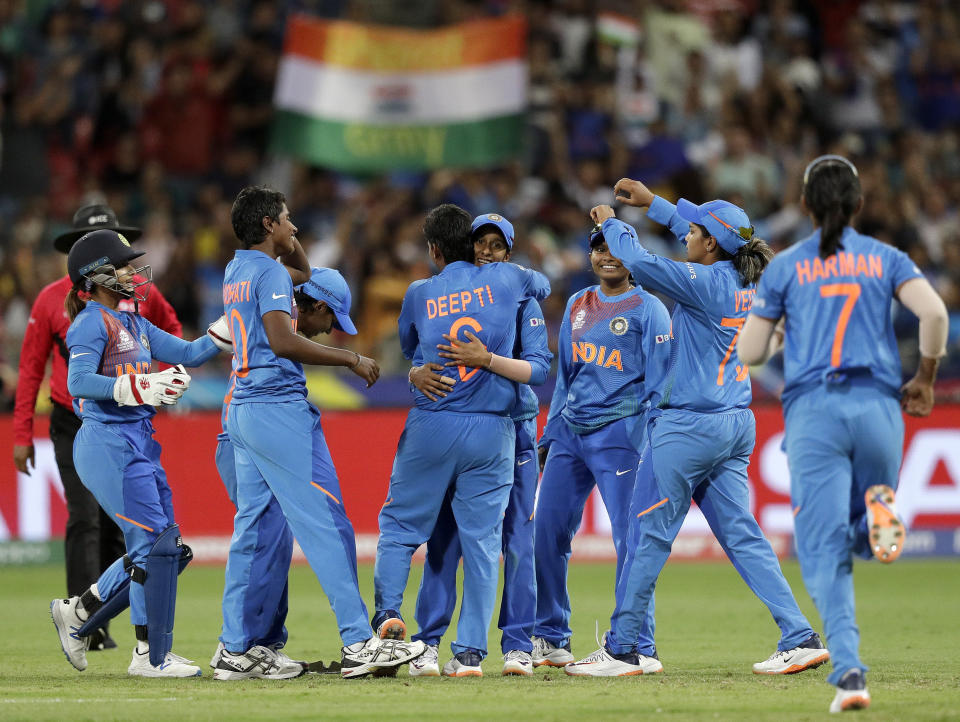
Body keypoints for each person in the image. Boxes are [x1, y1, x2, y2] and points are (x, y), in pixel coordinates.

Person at [564, 178, 827, 677]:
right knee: (744, 537)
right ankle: (800, 636)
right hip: (734, 423)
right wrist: (658, 204)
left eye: (696, 230)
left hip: (687, 428)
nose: (687, 234)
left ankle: (623, 649)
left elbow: (638, 263)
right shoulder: (749, 277)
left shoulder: (703, 283)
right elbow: (710, 232)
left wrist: (611, 222)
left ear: (710, 243)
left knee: (647, 536)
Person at [737, 155, 949, 713]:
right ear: (858, 204)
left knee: (821, 547)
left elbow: (751, 353)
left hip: (815, 411)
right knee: (857, 531)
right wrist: (924, 380)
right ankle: (877, 508)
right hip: (879, 408)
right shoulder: (885, 258)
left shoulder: (785, 268)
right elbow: (934, 316)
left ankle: (851, 672)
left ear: (805, 205)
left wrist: (783, 333)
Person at [215, 186, 425, 680]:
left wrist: (286, 243)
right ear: (268, 224)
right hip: (276, 407)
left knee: (252, 531)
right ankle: (358, 642)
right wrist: (350, 358)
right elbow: (284, 340)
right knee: (325, 523)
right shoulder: (267, 273)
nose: (294, 229)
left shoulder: (237, 269)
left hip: (244, 406)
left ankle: (235, 649)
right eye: (287, 220)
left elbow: (305, 274)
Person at [373, 204, 550, 678]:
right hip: (493, 429)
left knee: (407, 530)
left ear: (433, 249)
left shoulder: (421, 291)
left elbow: (413, 346)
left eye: (498, 246)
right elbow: (544, 283)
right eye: (482, 244)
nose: (489, 252)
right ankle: (459, 649)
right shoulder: (512, 283)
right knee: (476, 542)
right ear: (468, 245)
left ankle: (394, 616)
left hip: (453, 425)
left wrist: (479, 359)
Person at [49, 228, 226, 677]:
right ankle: (149, 655)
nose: (133, 272)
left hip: (139, 440)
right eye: (124, 265)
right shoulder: (90, 321)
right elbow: (78, 383)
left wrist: (230, 328)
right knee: (152, 548)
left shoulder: (133, 322)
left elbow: (190, 352)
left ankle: (80, 612)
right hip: (108, 442)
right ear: (98, 275)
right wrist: (138, 384)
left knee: (168, 550)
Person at [15, 204, 181, 651]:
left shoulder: (132, 306)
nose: (126, 265)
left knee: (126, 531)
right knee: (87, 520)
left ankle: (89, 615)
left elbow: (168, 330)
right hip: (74, 418)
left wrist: (158, 379)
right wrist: (21, 433)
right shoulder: (54, 301)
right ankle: (98, 626)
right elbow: (32, 368)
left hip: (127, 419)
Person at [525, 224, 672, 672]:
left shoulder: (650, 309)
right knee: (545, 535)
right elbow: (566, 376)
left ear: (632, 255)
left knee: (632, 540)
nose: (607, 256)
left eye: (615, 248)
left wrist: (651, 438)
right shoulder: (577, 303)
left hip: (621, 434)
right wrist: (550, 434)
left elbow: (661, 383)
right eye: (598, 248)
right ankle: (551, 637)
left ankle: (639, 646)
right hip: (571, 433)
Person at [207, 267, 352, 676]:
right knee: (262, 541)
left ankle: (262, 645)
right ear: (318, 305)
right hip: (247, 440)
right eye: (332, 320)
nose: (330, 330)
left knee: (272, 544)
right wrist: (351, 359)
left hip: (244, 435)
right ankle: (237, 646)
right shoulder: (278, 326)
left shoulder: (270, 316)